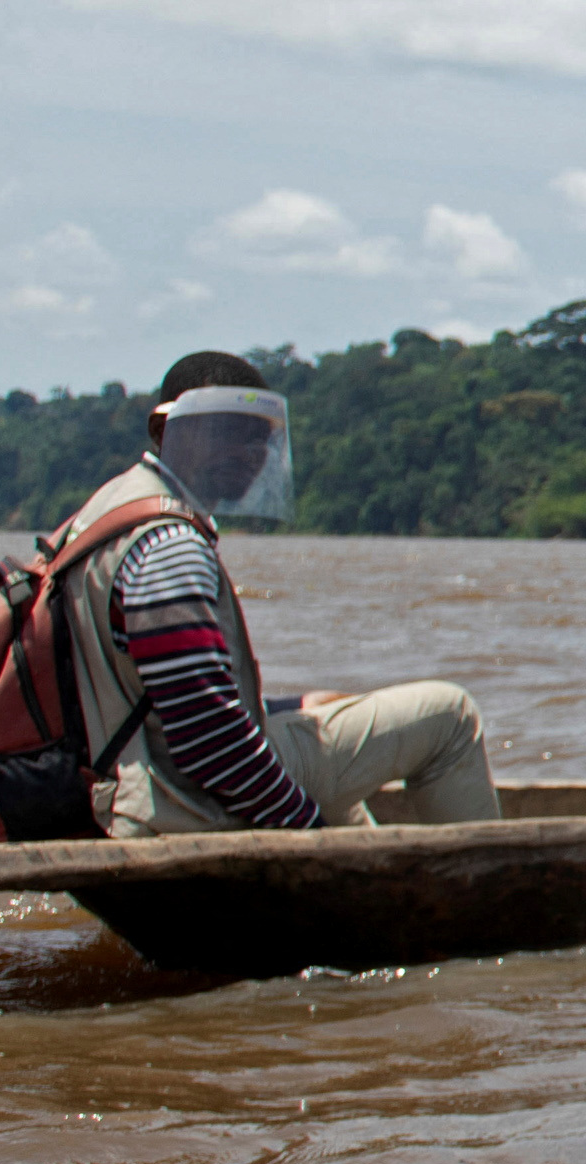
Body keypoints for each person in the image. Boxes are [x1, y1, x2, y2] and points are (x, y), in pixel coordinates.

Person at [63, 352, 501, 831]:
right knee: (450, 715)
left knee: (320, 719)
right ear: (164, 430)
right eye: (228, 431)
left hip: (142, 777)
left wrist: (290, 708)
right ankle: (487, 886)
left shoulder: (107, 512)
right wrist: (302, 826)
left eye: (259, 437)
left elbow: (167, 700)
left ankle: (365, 880)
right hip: (179, 799)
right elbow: (205, 737)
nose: (251, 452)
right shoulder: (170, 547)